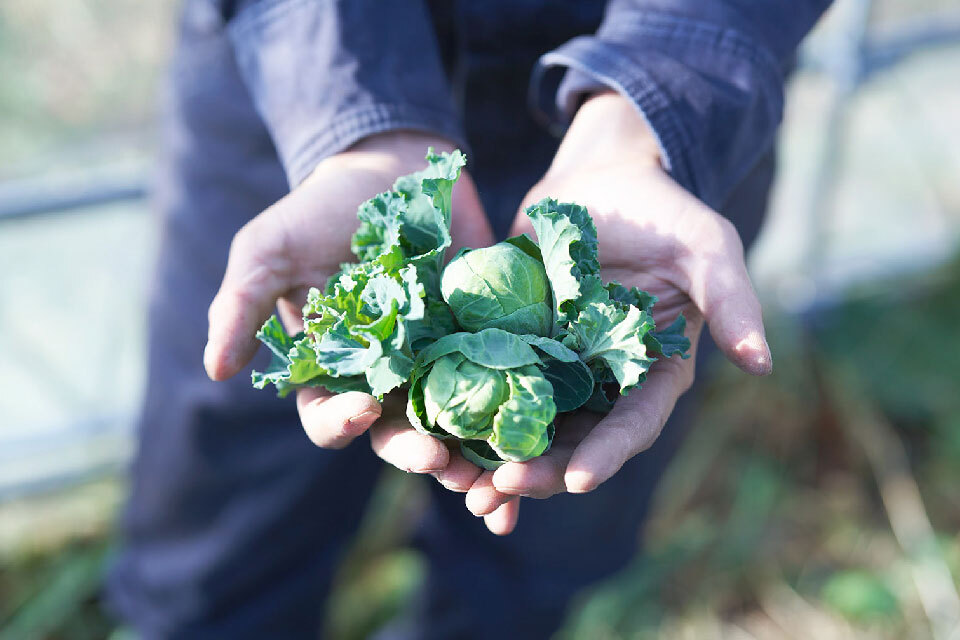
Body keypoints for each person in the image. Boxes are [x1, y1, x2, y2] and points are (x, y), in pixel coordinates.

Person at [107, 0, 831, 637]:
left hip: (657, 146)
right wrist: (352, 120)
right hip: (301, 96)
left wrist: (650, 105)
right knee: (222, 539)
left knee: (527, 569)